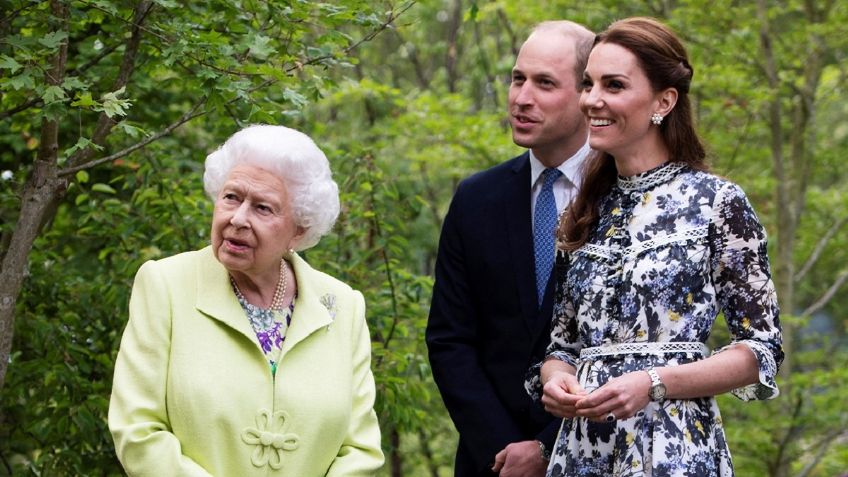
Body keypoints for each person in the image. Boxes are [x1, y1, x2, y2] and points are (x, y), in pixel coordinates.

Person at [526, 17, 784, 476]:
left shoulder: (718, 203)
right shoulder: (586, 208)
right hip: (582, 454)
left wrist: (654, 383)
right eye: (588, 84)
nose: (592, 100)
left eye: (614, 85)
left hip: (676, 449)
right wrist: (557, 381)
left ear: (663, 101)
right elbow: (562, 346)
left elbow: (760, 351)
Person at [108, 125, 384, 476]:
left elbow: (361, 449)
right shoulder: (165, 284)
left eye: (263, 208)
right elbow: (138, 431)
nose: (237, 219)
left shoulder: (342, 305)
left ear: (298, 230)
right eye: (231, 197)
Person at [426, 21, 595, 477]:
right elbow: (449, 339)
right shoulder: (476, 199)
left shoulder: (624, 199)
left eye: (545, 83)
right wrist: (503, 447)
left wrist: (546, 449)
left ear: (587, 94)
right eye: (518, 78)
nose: (522, 97)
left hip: (596, 455)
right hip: (492, 462)